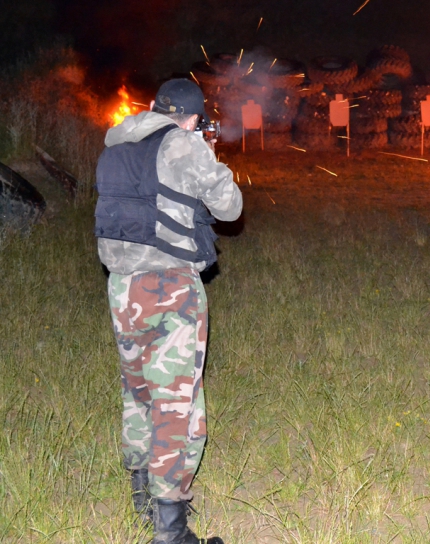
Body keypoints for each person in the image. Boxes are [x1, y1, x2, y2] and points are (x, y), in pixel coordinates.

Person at [95, 78, 242, 544]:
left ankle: (142, 497)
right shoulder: (184, 144)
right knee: (176, 404)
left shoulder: (116, 143)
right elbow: (231, 207)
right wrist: (204, 152)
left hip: (122, 287)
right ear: (192, 117)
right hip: (171, 289)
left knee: (137, 392)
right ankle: (171, 531)